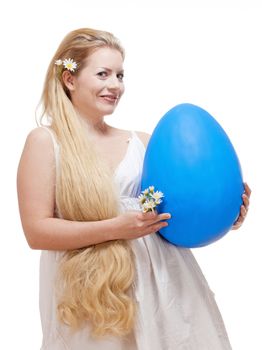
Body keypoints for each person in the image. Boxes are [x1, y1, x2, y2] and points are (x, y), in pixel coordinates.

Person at [17, 28, 251, 350]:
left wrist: (224, 212)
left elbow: (173, 214)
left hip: (160, 289)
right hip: (91, 293)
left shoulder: (142, 143)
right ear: (70, 80)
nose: (115, 85)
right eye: (103, 74)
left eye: (120, 75)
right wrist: (116, 228)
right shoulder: (47, 143)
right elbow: (36, 232)